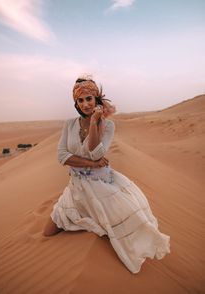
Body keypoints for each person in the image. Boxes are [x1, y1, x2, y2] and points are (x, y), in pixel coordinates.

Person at [43, 74, 170, 274]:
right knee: (48, 232)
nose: (85, 104)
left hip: (102, 185)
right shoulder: (69, 124)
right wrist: (90, 163)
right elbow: (62, 157)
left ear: (96, 100)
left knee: (117, 230)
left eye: (89, 99)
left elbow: (97, 153)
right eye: (80, 100)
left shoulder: (108, 125)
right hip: (76, 187)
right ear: (75, 103)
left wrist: (94, 122)